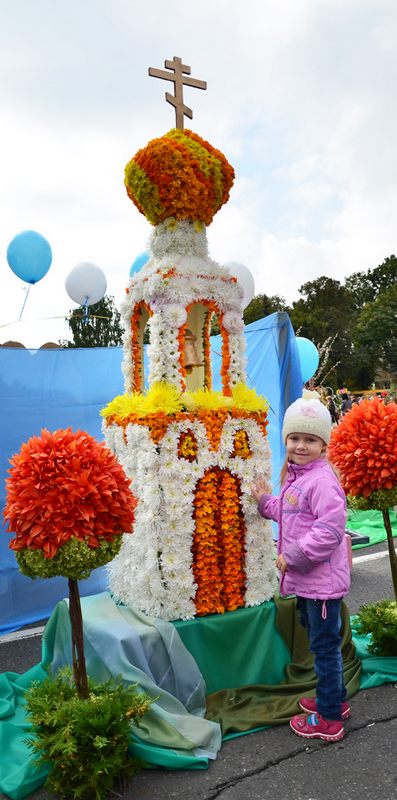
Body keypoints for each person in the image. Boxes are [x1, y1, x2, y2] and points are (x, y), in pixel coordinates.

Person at [252, 390, 350, 742]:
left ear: (323, 446)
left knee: (323, 649)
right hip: (310, 584)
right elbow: (290, 510)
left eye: (310, 439)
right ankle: (334, 700)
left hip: (321, 583)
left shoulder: (321, 481)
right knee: (319, 641)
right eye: (295, 438)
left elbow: (329, 530)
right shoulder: (300, 478)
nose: (300, 445)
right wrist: (265, 503)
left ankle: (328, 719)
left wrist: (293, 555)